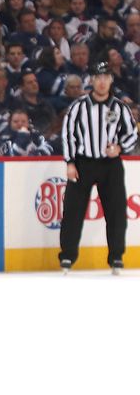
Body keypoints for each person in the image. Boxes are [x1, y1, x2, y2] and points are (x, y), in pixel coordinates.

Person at [58, 63, 138, 274]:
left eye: (106, 77)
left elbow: (132, 133)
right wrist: (70, 162)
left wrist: (120, 147)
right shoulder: (78, 107)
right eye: (98, 77)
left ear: (111, 80)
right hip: (83, 163)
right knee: (73, 211)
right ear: (92, 80)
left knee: (116, 212)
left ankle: (116, 257)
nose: (102, 81)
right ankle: (67, 256)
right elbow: (68, 134)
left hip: (110, 165)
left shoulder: (120, 107)